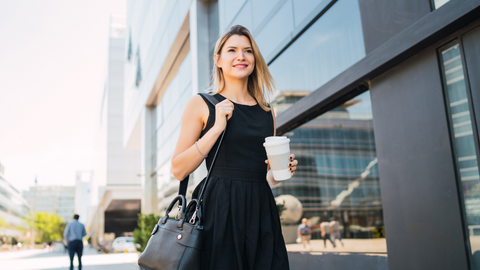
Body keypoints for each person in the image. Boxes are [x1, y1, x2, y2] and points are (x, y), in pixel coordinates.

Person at [171, 25, 299, 270]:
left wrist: (282, 170)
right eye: (232, 50)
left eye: (247, 51)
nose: (241, 56)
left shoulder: (267, 112)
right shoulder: (201, 104)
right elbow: (178, 169)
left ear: (254, 59)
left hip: (261, 210)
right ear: (218, 60)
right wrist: (217, 127)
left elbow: (266, 175)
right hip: (220, 209)